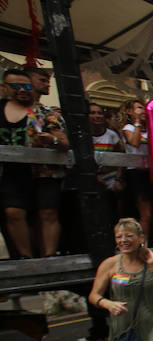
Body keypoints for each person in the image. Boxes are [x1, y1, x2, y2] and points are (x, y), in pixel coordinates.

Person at [0, 69, 69, 258]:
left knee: (48, 213)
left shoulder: (45, 113)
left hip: (44, 172)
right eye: (15, 86)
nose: (22, 89)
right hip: (10, 172)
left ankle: (49, 257)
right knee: (13, 212)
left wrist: (51, 140)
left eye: (26, 86)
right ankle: (26, 258)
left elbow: (64, 142)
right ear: (5, 88)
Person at [121, 100, 153, 247]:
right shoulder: (128, 127)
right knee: (146, 215)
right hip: (137, 175)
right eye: (139, 108)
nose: (143, 111)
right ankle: (143, 247)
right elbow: (134, 142)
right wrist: (138, 122)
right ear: (129, 112)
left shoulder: (152, 129)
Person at [89, 102, 124, 207]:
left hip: (111, 178)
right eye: (93, 113)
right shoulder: (83, 136)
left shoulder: (112, 135)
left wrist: (118, 179)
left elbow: (121, 158)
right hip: (90, 178)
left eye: (100, 113)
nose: (97, 116)